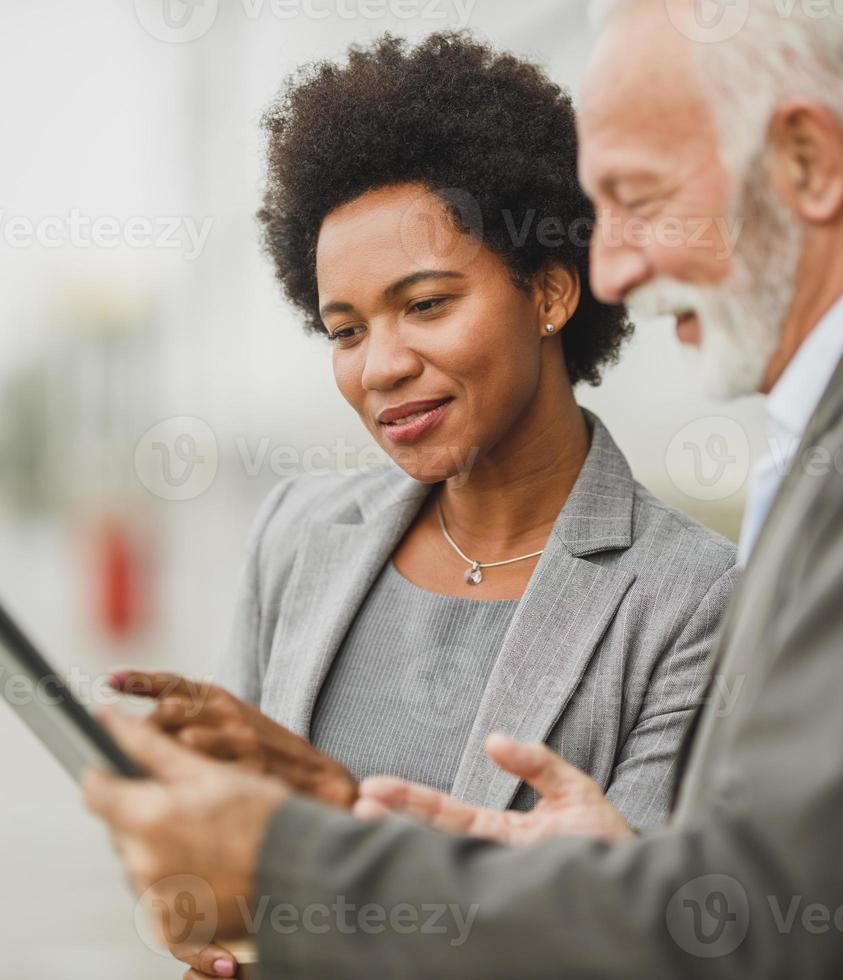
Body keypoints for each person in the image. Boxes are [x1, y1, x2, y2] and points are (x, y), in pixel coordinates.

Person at [83, 2, 843, 977]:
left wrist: (287, 866)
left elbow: (763, 923)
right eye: (346, 327)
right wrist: (616, 865)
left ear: (810, 161)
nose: (613, 264)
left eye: (635, 195)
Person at [106, 29, 738, 974]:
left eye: (429, 304)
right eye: (346, 329)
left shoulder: (691, 598)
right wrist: (199, 898)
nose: (382, 365)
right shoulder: (299, 532)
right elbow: (231, 851)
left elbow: (636, 936)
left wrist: (323, 832)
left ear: (552, 292)